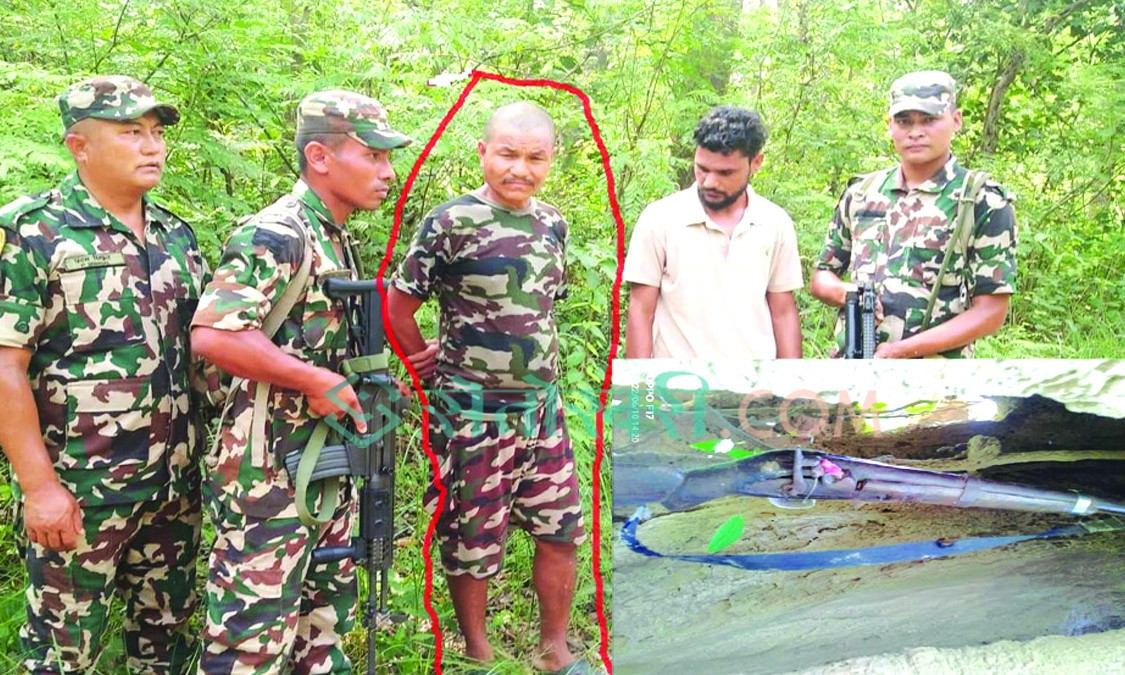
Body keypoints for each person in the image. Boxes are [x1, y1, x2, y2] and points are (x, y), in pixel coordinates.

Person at [189, 90, 422, 673]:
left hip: (320, 461)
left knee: (320, 628)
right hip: (265, 471)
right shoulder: (278, 234)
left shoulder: (332, 235)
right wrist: (313, 378)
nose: (388, 172)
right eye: (372, 156)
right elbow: (214, 335)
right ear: (320, 156)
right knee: (252, 641)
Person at [0, 75, 207, 673]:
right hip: (80, 491)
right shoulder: (31, 233)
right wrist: (40, 489)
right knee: (65, 653)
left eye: (156, 133)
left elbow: (199, 356)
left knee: (168, 644)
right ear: (79, 146)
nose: (151, 147)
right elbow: (5, 365)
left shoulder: (174, 235)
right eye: (130, 133)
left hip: (173, 489)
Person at [387, 102, 591, 674]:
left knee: (561, 528)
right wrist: (423, 364)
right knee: (472, 537)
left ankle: (555, 647)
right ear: (483, 152)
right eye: (507, 154)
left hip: (540, 410)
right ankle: (478, 651)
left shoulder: (552, 223)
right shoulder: (451, 223)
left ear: (551, 161)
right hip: (473, 410)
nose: (519, 169)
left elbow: (542, 307)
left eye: (535, 158)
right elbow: (399, 305)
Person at [809, 70, 1017, 358]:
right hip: (854, 372)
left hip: (936, 382)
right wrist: (846, 293)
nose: (915, 132)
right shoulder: (862, 193)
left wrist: (903, 351)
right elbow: (822, 276)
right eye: (904, 121)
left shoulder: (980, 200)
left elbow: (991, 311)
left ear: (956, 120)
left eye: (929, 120)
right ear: (889, 125)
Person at [622, 105, 803, 359]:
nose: (709, 182)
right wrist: (638, 395)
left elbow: (783, 312)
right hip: (676, 389)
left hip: (754, 389)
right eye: (702, 169)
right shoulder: (660, 220)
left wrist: (790, 390)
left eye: (725, 172)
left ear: (756, 163)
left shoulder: (775, 223)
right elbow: (641, 311)